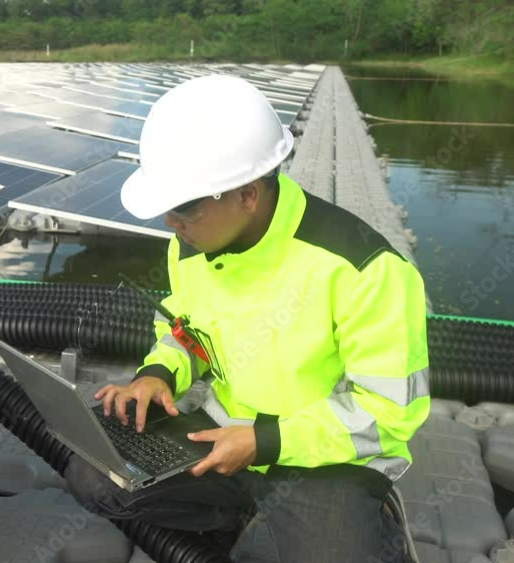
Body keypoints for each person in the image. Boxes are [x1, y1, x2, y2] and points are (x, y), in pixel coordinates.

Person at [64, 74, 429, 562]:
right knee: (91, 475)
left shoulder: (364, 268)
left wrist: (266, 441)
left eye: (184, 209)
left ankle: (366, 521)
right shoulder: (191, 245)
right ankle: (242, 518)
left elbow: (389, 414)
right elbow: (182, 332)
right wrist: (156, 376)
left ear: (248, 194)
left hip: (323, 462)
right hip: (221, 435)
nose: (171, 224)